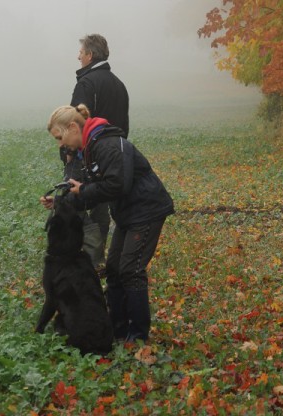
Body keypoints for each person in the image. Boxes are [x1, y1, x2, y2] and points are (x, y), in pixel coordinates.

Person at [41, 104, 174, 343]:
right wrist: (60, 202)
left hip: (147, 209)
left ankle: (138, 337)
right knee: (113, 269)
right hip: (127, 213)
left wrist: (84, 190)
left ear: (72, 127)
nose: (60, 144)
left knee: (130, 270)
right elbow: (85, 190)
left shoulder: (107, 144)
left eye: (59, 138)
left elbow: (117, 185)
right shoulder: (89, 148)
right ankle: (117, 328)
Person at [61, 33, 130, 271]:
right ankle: (97, 259)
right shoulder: (119, 84)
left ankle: (82, 257)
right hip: (113, 157)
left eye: (81, 53)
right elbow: (124, 125)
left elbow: (74, 124)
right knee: (100, 204)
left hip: (85, 156)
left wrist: (69, 154)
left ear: (90, 56)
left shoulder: (86, 83)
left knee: (71, 204)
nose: (78, 57)